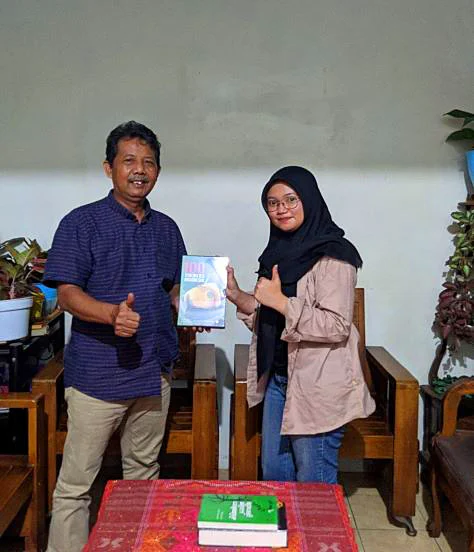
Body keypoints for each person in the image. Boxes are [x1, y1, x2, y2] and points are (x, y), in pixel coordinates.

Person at [44, 121, 187, 552]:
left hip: (153, 371)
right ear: (109, 168)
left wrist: (192, 307)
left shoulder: (167, 228)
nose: (139, 170)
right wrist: (111, 314)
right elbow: (66, 294)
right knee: (76, 485)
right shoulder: (80, 223)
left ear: (158, 170)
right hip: (97, 376)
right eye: (129, 161)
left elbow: (173, 287)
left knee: (142, 473)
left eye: (148, 162)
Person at [226, 166, 375, 483]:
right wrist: (239, 296)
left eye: (291, 199)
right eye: (273, 203)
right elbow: (270, 321)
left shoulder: (335, 256)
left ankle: (319, 521)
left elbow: (336, 325)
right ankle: (289, 521)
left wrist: (281, 302)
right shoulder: (277, 253)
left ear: (309, 199)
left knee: (313, 481)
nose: (281, 209)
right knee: (275, 473)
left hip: (317, 386)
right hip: (279, 380)